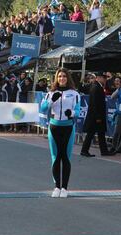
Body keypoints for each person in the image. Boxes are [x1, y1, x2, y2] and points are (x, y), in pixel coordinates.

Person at [41, 68, 80, 198]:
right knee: (55, 157)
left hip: (68, 128)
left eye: (64, 76)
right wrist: (52, 100)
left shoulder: (74, 94)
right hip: (54, 127)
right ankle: (57, 186)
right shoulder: (50, 93)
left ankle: (65, 188)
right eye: (59, 76)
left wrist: (72, 113)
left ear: (67, 78)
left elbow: (78, 110)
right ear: (56, 79)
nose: (61, 78)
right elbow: (43, 108)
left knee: (66, 157)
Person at [80, 72, 115, 157]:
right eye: (103, 78)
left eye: (105, 78)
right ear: (98, 78)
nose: (105, 79)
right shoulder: (96, 87)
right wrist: (98, 116)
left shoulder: (98, 86)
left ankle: (104, 151)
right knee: (91, 133)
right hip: (95, 115)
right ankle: (84, 150)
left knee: (100, 133)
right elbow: (95, 103)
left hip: (97, 115)